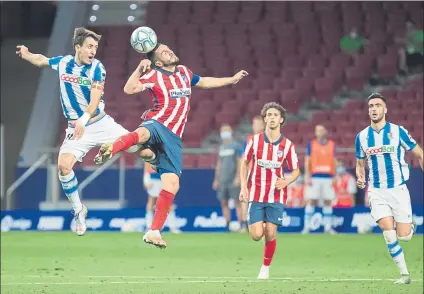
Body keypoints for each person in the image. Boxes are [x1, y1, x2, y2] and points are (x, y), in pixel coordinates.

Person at [94, 43, 248, 248]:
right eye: (165, 52)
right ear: (158, 62)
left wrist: (231, 79)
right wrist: (139, 69)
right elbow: (129, 89)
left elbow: (205, 82)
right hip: (158, 122)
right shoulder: (153, 75)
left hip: (174, 137)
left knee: (172, 185)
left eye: (169, 49)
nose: (170, 51)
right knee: (141, 134)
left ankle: (154, 231)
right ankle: (111, 148)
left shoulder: (184, 72)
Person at [15, 27, 139, 236]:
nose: (93, 51)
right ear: (78, 47)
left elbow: (92, 102)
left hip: (100, 124)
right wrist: (27, 54)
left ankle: (165, 161)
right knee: (63, 166)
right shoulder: (63, 63)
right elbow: (41, 60)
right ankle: (79, 209)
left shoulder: (97, 68)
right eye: (90, 46)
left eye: (96, 47)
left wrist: (82, 120)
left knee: (141, 150)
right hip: (77, 128)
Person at [355, 93, 423, 284]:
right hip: (376, 191)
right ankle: (404, 274)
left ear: (385, 109)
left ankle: (409, 228)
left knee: (405, 236)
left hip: (398, 190)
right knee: (387, 230)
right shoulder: (361, 137)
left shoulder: (398, 131)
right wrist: (360, 176)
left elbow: (419, 153)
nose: (374, 109)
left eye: (377, 105)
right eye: (370, 106)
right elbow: (360, 164)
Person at [239, 102, 300, 280]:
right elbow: (244, 163)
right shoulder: (255, 141)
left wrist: (287, 180)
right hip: (256, 194)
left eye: (275, 115)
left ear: (281, 120)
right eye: (269, 115)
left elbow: (296, 170)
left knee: (271, 232)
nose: (272, 118)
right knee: (257, 235)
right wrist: (244, 187)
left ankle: (265, 267)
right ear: (265, 119)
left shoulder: (288, 145)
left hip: (276, 195)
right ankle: (263, 225)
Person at [302, 125, 337, 234]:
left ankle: (328, 228)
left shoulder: (331, 145)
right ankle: (307, 227)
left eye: (321, 130)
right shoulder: (311, 145)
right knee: (311, 200)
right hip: (315, 176)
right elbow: (307, 160)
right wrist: (307, 176)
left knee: (327, 201)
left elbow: (334, 160)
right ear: (315, 133)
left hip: (328, 177)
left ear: (325, 132)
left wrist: (335, 176)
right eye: (318, 131)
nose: (320, 132)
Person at [212, 124, 243, 232]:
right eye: (222, 131)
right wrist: (216, 179)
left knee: (237, 202)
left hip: (233, 179)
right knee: (224, 203)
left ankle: (242, 225)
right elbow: (219, 164)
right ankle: (227, 226)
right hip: (222, 180)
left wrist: (238, 177)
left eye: (226, 130)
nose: (224, 133)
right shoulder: (221, 147)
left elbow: (240, 162)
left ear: (231, 132)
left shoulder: (236, 146)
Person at [144, 162, 180, 233]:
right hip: (154, 179)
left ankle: (172, 227)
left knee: (169, 203)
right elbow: (147, 166)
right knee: (151, 202)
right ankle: (148, 226)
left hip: (165, 179)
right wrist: (146, 178)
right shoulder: (152, 152)